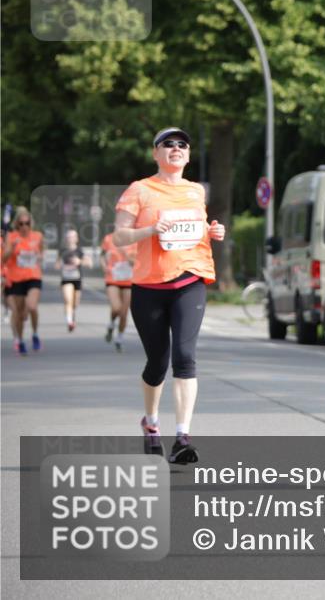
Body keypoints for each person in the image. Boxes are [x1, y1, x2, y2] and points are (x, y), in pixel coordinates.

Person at [113, 127, 225, 462]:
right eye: (168, 144)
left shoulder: (195, 192)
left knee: (185, 357)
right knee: (157, 362)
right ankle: (151, 423)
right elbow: (119, 237)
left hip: (190, 280)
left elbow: (195, 232)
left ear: (188, 155)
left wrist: (213, 231)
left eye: (182, 145)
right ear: (156, 153)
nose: (176, 148)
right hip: (149, 285)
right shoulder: (140, 190)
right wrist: (150, 230)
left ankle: (182, 437)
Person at [2, 207, 45, 355]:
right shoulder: (12, 237)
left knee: (32, 306)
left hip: (33, 276)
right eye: (21, 224)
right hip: (16, 278)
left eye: (27, 223)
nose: (24, 226)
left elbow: (41, 252)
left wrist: (40, 257)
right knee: (19, 314)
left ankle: (35, 334)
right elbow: (4, 259)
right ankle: (20, 340)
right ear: (16, 224)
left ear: (31, 223)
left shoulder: (38, 236)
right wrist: (11, 249)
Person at [101, 230, 136, 352]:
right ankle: (111, 325)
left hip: (128, 280)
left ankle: (119, 339)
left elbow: (136, 263)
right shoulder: (109, 238)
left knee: (124, 313)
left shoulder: (135, 239)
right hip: (112, 278)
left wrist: (125, 254)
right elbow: (102, 254)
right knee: (116, 308)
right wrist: (104, 266)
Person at [59, 228, 92, 332]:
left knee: (75, 303)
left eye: (73, 237)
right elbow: (56, 264)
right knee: (68, 300)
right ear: (66, 239)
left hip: (77, 279)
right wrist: (60, 264)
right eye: (69, 237)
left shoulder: (80, 251)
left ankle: (71, 316)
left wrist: (79, 261)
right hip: (66, 279)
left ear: (76, 239)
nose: (70, 239)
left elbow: (89, 264)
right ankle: (69, 322)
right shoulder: (62, 251)